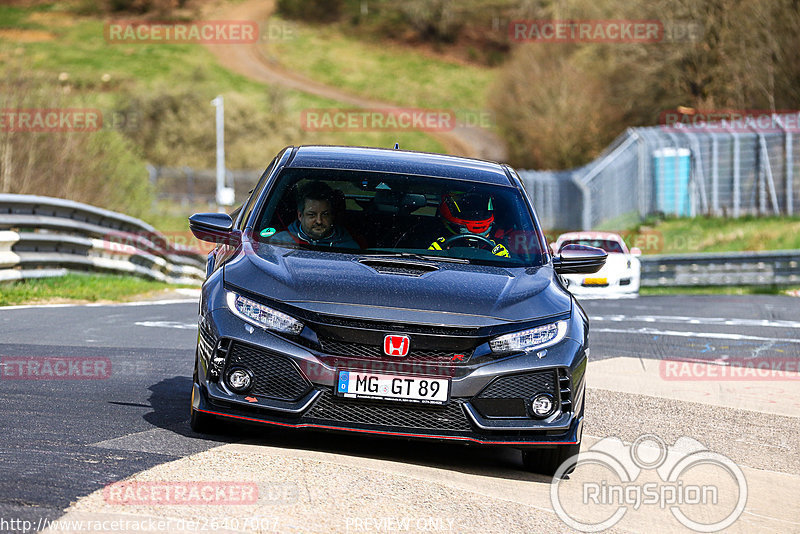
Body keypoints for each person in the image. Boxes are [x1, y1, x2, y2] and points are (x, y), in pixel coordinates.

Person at [270, 181, 360, 248]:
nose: (319, 221)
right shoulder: (280, 242)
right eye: (312, 215)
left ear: (332, 215)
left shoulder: (350, 248)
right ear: (300, 216)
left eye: (325, 214)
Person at [427, 191, 510, 258]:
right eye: (468, 207)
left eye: (478, 207)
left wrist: (505, 259)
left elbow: (516, 266)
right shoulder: (430, 234)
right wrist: (431, 255)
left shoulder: (501, 242)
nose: (474, 214)